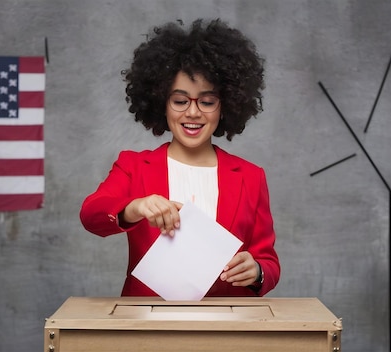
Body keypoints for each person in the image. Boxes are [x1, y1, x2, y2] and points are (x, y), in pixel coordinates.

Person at [80, 18, 280, 297]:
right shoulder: (133, 166)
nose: (193, 113)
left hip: (228, 328)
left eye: (207, 101)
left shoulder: (251, 176)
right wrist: (135, 207)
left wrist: (257, 271)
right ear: (161, 102)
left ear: (227, 106)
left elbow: (269, 262)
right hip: (147, 326)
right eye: (180, 100)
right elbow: (91, 215)